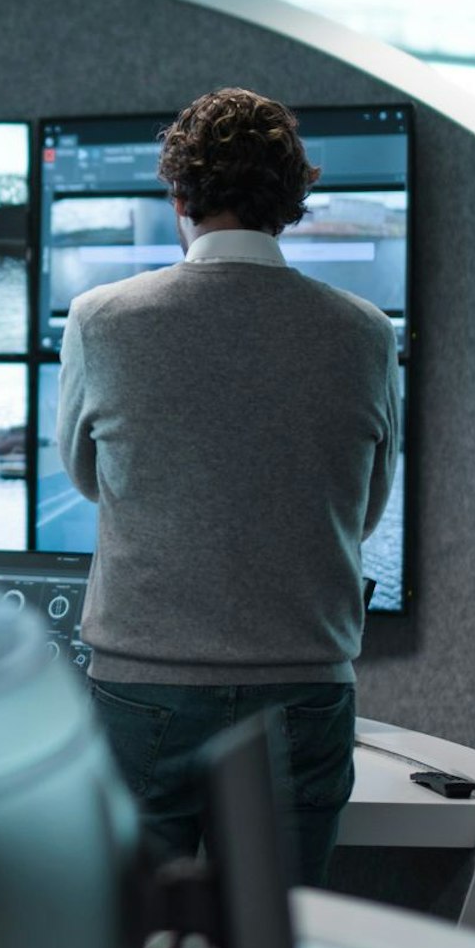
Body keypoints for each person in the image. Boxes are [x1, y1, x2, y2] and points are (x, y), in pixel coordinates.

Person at [57, 87, 400, 885]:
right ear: (291, 203)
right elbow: (364, 503)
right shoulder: (365, 333)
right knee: (276, 935)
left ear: (177, 193)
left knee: (134, 936)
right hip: (305, 689)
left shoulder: (101, 319)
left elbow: (87, 476)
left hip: (142, 692)